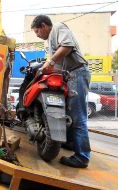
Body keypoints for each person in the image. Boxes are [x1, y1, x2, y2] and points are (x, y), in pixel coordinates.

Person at [31, 15, 91, 168]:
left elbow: (67, 46)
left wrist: (50, 61)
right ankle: (72, 143)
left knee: (78, 116)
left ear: (44, 26)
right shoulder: (51, 40)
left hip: (77, 73)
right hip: (70, 75)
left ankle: (82, 157)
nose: (37, 35)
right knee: (70, 114)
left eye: (37, 31)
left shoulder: (57, 27)